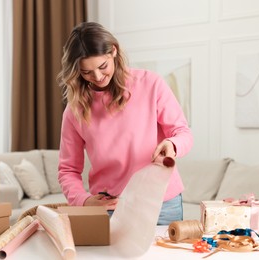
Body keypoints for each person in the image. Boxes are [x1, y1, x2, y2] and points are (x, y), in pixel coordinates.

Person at [56, 22, 193, 225]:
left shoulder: (150, 83)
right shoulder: (74, 110)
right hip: (112, 207)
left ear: (113, 51)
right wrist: (83, 201)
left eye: (103, 67)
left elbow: (183, 133)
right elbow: (68, 170)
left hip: (162, 204)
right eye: (86, 72)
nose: (98, 77)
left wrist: (173, 145)